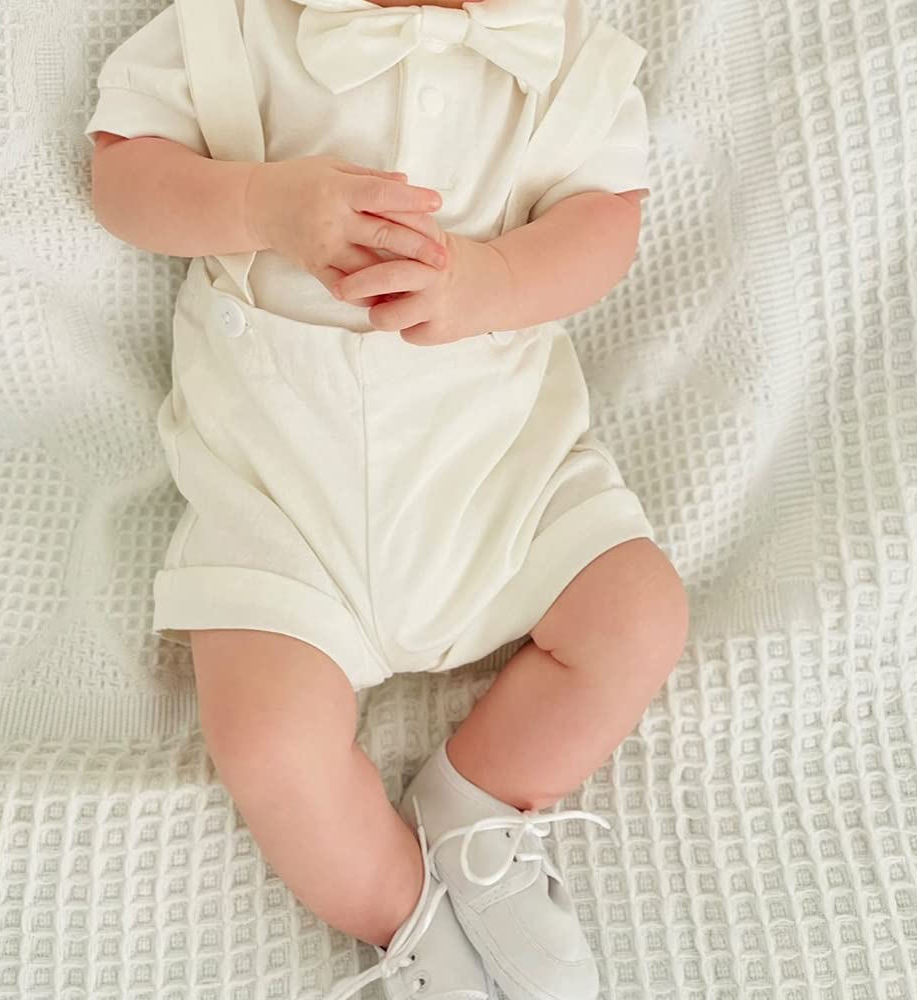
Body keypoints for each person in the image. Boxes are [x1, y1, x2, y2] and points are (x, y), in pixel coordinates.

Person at [85, 0, 689, 995]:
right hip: (284, 506)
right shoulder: (233, 26)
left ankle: (479, 801)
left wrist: (494, 279)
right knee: (267, 741)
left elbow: (606, 222)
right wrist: (258, 205)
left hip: (498, 478)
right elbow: (123, 177)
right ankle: (403, 916)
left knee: (638, 615)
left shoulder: (557, 50)